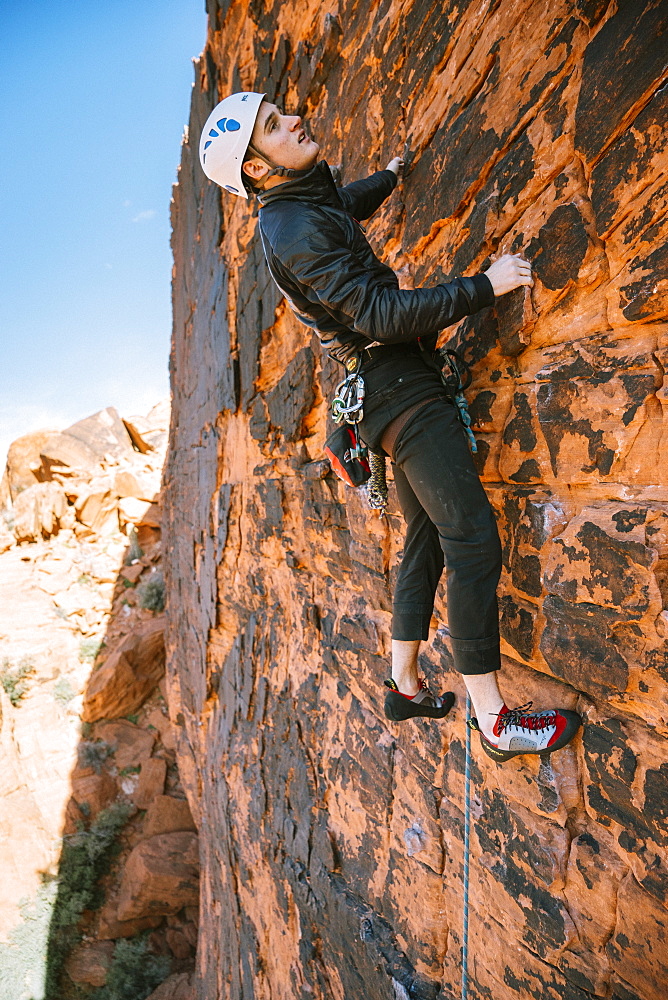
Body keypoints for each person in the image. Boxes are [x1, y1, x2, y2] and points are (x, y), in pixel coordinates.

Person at [199, 92, 580, 761]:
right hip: (400, 387)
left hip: (379, 391)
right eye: (272, 127)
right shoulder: (291, 225)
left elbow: (340, 210)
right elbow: (377, 312)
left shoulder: (296, 209)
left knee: (427, 539)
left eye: (281, 111)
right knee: (471, 539)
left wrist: (393, 175)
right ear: (256, 168)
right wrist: (482, 288)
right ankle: (494, 721)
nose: (293, 120)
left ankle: (403, 682)